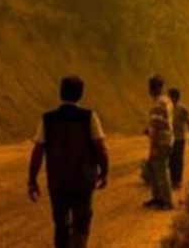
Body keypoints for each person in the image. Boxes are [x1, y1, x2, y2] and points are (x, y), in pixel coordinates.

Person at [29, 76, 109, 248]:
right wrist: (104, 172)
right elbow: (101, 148)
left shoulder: (47, 119)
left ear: (60, 93)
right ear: (81, 94)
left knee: (61, 224)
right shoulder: (89, 117)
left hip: (57, 181)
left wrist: (32, 180)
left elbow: (37, 151)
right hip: (83, 180)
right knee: (81, 223)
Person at [143, 74, 174, 210]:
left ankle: (166, 201)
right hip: (167, 139)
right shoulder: (166, 100)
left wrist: (153, 146)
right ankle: (158, 198)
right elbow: (161, 121)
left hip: (160, 141)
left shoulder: (159, 103)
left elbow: (157, 126)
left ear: (153, 88)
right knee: (156, 169)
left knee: (161, 170)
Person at [167, 88, 189, 189]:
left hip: (179, 139)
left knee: (178, 160)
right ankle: (171, 180)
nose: (168, 98)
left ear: (175, 98)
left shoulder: (182, 109)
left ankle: (177, 180)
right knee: (170, 160)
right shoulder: (167, 109)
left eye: (169, 96)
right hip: (168, 138)